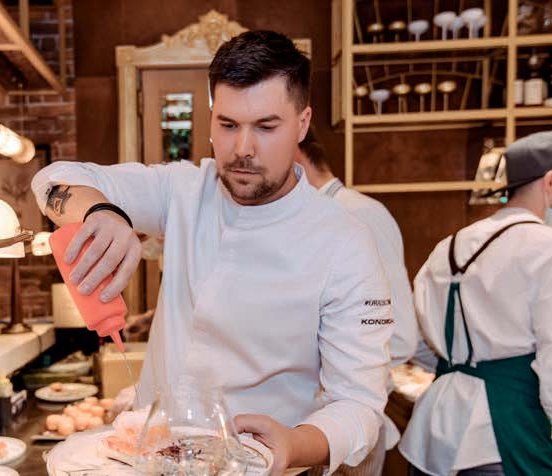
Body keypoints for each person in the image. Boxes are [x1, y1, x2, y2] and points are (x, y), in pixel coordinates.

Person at [32, 30, 394, 475]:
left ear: (302, 124)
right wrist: (101, 211)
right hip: (152, 463)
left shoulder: (345, 242)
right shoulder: (183, 190)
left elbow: (359, 405)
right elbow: (51, 180)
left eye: (266, 127)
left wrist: (295, 444)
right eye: (228, 125)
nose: (243, 149)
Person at [400, 130, 552, 476]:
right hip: (502, 436)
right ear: (551, 182)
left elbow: (415, 343)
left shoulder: (448, 247)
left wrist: (467, 367)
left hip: (433, 436)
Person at [295, 127, 418, 475]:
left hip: (345, 425)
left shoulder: (359, 215)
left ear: (295, 154)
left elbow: (399, 333)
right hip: (306, 427)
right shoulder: (310, 219)